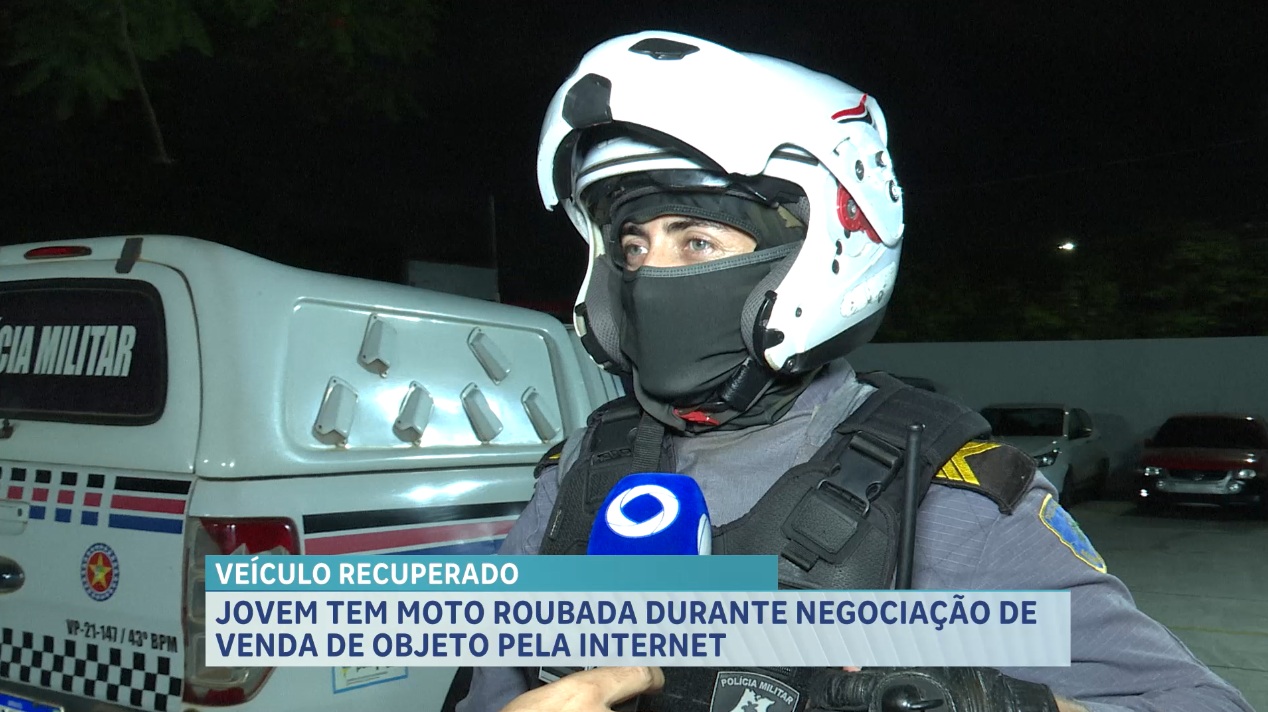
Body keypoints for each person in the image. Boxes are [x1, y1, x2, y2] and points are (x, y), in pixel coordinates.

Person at [457, 30, 1256, 712]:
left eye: (695, 242)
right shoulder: (584, 471)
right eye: (633, 248)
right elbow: (491, 689)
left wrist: (994, 701)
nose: (649, 276)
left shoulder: (941, 494)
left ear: (819, 256)